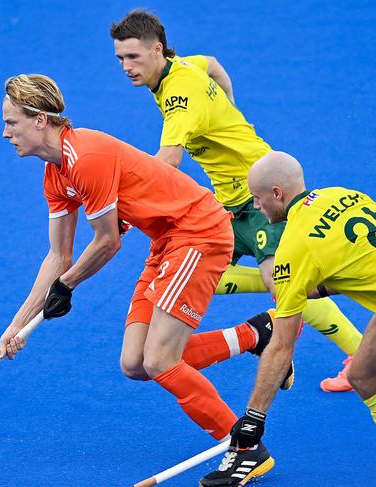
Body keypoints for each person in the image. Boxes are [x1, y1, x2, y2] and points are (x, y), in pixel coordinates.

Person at [0, 74, 289, 482]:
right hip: (167, 240)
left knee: (160, 359)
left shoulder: (86, 157)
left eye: (12, 122)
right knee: (136, 363)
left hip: (198, 232)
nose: (5, 132)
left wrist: (68, 285)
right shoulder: (55, 175)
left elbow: (107, 242)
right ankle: (257, 334)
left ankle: (244, 446)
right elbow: (57, 256)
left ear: (40, 119)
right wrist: (18, 325)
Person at [110, 9, 361, 394]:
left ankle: (359, 356)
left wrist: (123, 211)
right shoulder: (181, 66)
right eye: (120, 59)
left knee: (283, 289)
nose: (126, 67)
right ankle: (271, 315)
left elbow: (168, 162)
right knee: (200, 278)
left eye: (134, 57)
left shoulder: (178, 96)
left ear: (157, 49)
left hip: (260, 198)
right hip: (226, 203)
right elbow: (213, 65)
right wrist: (228, 109)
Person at [207, 150, 376, 486]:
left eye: (258, 198)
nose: (256, 207)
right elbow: (359, 263)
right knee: (364, 376)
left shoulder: (294, 248)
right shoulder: (342, 194)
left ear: (276, 193)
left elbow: (281, 346)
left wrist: (253, 419)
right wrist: (301, 287)